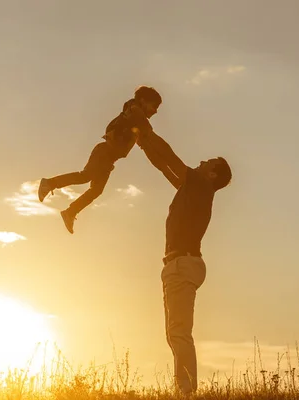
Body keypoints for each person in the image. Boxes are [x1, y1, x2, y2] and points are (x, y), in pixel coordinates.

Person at [136, 128, 232, 395]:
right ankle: (184, 390)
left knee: (179, 334)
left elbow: (170, 157)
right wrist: (143, 143)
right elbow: (165, 167)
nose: (200, 163)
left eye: (206, 163)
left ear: (212, 174)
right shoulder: (193, 188)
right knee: (174, 335)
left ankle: (186, 393)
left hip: (182, 264)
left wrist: (146, 128)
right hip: (177, 265)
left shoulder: (201, 185)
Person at [37, 86, 162, 234]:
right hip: (103, 151)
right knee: (85, 176)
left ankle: (70, 212)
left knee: (96, 190)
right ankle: (49, 183)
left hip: (109, 160)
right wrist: (149, 131)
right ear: (143, 101)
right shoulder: (133, 108)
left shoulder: (138, 124)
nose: (155, 111)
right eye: (154, 106)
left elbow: (142, 135)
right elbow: (137, 114)